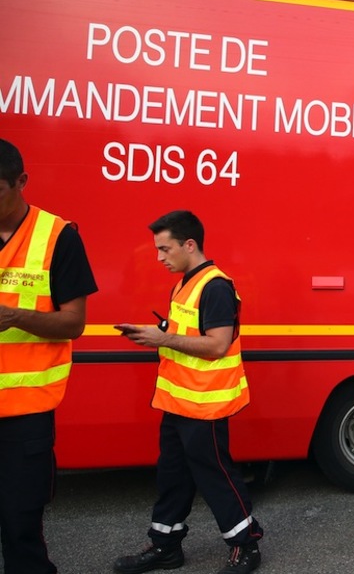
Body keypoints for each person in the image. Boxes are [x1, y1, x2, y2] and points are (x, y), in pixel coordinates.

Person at [114, 211, 262, 574]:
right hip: (179, 401)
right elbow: (186, 333)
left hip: (204, 404)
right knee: (172, 477)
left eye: (165, 249)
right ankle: (165, 547)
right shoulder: (185, 283)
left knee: (215, 476)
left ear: (189, 245)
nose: (159, 257)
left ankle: (246, 546)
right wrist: (157, 331)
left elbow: (217, 346)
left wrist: (161, 338)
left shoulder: (215, 286)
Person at [0, 138, 97, 574]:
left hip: (25, 415)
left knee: (20, 526)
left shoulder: (59, 237)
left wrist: (14, 316)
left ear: (21, 182)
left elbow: (74, 322)